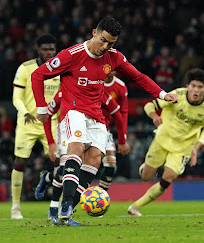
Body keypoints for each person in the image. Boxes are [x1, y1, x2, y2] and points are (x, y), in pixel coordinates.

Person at [31, 17, 177, 225]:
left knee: (95, 159)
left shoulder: (114, 57)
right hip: (73, 111)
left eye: (111, 43)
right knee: (77, 148)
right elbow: (38, 75)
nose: (105, 47)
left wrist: (162, 94)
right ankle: (63, 206)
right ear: (93, 33)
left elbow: (139, 77)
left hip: (96, 116)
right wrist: (42, 107)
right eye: (103, 40)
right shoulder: (71, 55)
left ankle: (67, 211)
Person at [128, 68, 204, 216]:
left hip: (183, 148)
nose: (196, 90)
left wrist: (196, 148)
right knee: (146, 177)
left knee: (168, 178)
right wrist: (154, 116)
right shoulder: (176, 95)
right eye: (193, 86)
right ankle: (147, 166)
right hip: (162, 139)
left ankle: (135, 206)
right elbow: (149, 105)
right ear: (187, 86)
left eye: (200, 87)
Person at [38, 89, 129, 222]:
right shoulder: (64, 91)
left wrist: (122, 139)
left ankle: (63, 210)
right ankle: (54, 208)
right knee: (65, 169)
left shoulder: (99, 89)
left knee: (87, 168)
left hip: (93, 129)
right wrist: (51, 142)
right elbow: (47, 113)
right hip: (66, 127)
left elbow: (118, 113)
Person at [11, 34, 59, 219]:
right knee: (20, 162)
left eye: (52, 49)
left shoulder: (60, 68)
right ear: (37, 50)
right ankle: (15, 207)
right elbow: (16, 96)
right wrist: (25, 113)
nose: (49, 52)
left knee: (59, 163)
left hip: (52, 122)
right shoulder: (25, 68)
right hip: (28, 123)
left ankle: (55, 206)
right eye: (45, 49)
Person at [99, 71, 128, 191]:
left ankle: (100, 196)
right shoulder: (93, 81)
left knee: (110, 165)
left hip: (104, 129)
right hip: (84, 127)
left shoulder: (120, 87)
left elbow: (123, 112)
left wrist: (123, 138)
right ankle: (49, 178)